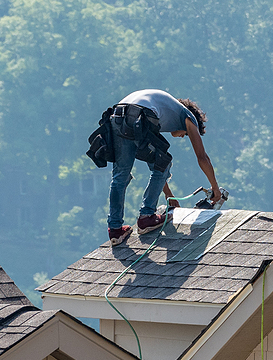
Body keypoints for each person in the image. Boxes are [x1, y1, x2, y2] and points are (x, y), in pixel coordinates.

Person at [93, 89, 225, 246]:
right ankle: (146, 216)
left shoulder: (162, 109)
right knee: (164, 162)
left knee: (120, 176)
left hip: (117, 115)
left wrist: (169, 196)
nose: (183, 136)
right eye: (186, 134)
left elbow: (154, 163)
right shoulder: (188, 116)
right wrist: (215, 189)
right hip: (140, 114)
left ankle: (115, 229)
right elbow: (202, 157)